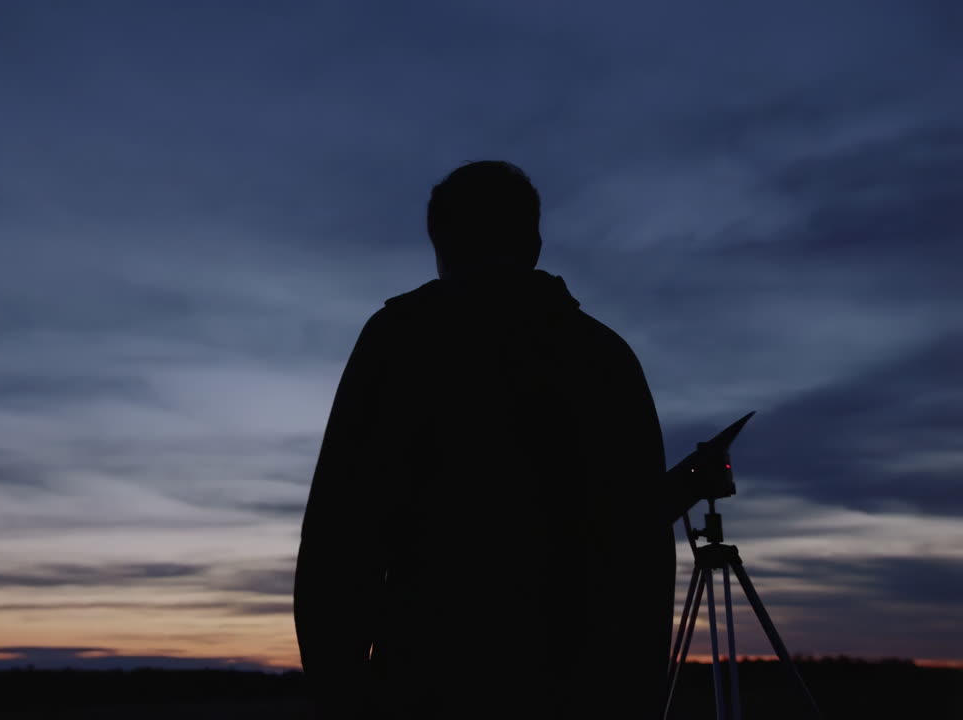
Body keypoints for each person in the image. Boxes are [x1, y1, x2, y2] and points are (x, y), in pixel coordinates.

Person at [293, 161, 684, 718]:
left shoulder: (400, 344)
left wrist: (341, 690)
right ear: (535, 242)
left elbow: (341, 536)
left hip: (425, 684)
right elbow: (642, 556)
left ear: (440, 244)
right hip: (581, 692)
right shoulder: (603, 357)